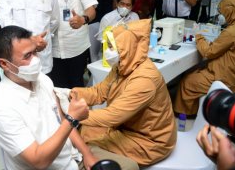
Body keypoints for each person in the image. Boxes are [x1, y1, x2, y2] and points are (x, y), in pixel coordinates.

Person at [0, 25, 99, 170]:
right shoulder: (2, 109)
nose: (35, 60)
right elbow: (38, 161)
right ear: (4, 64)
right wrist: (72, 118)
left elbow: (62, 120)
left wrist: (87, 153)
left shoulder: (42, 80)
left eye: (35, 52)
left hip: (71, 159)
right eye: (27, 56)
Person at [70, 19, 176, 168]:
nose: (108, 51)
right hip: (127, 127)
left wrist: (71, 117)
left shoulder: (145, 79)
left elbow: (112, 116)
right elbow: (99, 92)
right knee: (85, 131)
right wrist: (70, 94)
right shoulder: (123, 65)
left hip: (149, 141)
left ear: (128, 47)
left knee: (85, 140)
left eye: (113, 47)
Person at [174, 0, 235, 116]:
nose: (223, 15)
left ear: (232, 11)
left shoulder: (232, 32)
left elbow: (208, 52)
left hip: (227, 79)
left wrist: (198, 35)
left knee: (187, 81)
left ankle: (184, 115)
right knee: (194, 71)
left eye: (224, 12)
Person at [43, 0, 97, 88]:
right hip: (52, 49)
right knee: (57, 88)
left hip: (76, 47)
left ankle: (76, 111)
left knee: (76, 86)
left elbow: (91, 9)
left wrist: (83, 19)